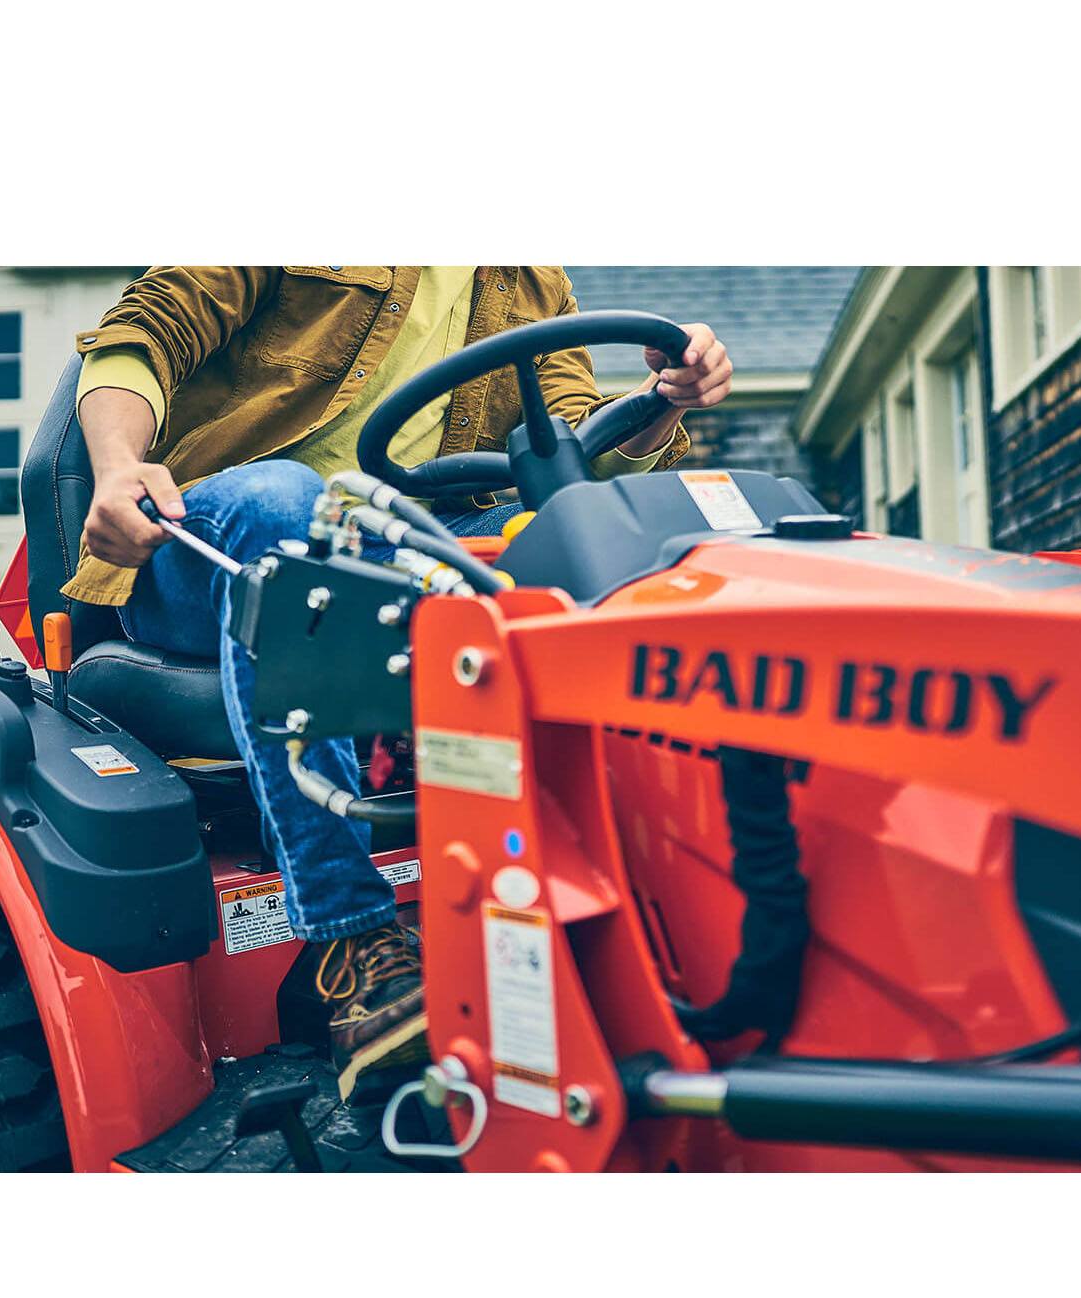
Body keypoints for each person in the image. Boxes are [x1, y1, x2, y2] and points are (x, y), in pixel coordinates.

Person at [59, 267, 734, 1096]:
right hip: (212, 540)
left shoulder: (532, 278)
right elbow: (144, 334)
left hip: (408, 542)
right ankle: (349, 936)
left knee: (606, 540)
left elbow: (569, 448)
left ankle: (651, 898)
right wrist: (118, 464)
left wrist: (665, 399)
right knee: (290, 501)